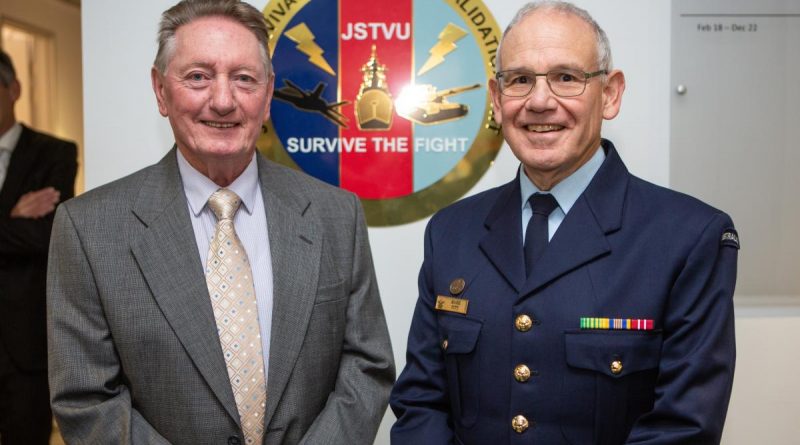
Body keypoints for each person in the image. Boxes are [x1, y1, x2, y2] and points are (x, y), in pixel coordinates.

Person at [390, 1, 738, 444]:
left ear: (610, 94)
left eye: (566, 78)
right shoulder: (451, 232)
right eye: (519, 80)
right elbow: (421, 403)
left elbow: (682, 428)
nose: (539, 101)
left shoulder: (688, 237)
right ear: (497, 101)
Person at [47, 1, 394, 444]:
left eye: (244, 79)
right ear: (160, 90)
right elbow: (87, 399)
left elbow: (367, 365)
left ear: (268, 96)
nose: (224, 100)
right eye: (198, 76)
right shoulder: (88, 229)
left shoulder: (335, 215)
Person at [0, 49, 77, 444]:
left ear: (14, 89)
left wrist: (20, 225)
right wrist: (10, 219)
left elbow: (47, 235)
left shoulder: (55, 153)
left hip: (25, 345)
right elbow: (22, 236)